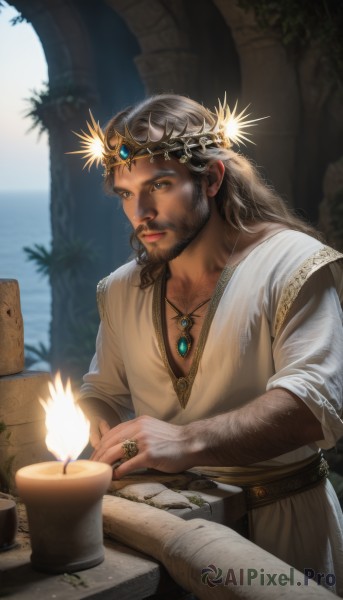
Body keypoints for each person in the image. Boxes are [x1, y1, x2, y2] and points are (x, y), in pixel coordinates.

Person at [75, 94, 343, 593]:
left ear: (212, 179)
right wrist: (103, 426)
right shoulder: (119, 289)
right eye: (125, 193)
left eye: (159, 184)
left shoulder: (293, 265)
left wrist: (184, 440)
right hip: (164, 532)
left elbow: (313, 407)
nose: (142, 212)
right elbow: (103, 389)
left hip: (281, 530)